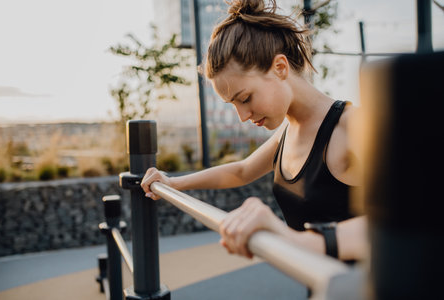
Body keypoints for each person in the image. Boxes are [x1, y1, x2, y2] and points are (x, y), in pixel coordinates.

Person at [141, 0, 367, 262]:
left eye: (245, 98)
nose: (243, 116)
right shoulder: (287, 135)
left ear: (280, 67)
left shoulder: (354, 126)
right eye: (234, 105)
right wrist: (172, 183)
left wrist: (292, 240)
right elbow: (241, 171)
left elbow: (411, 220)